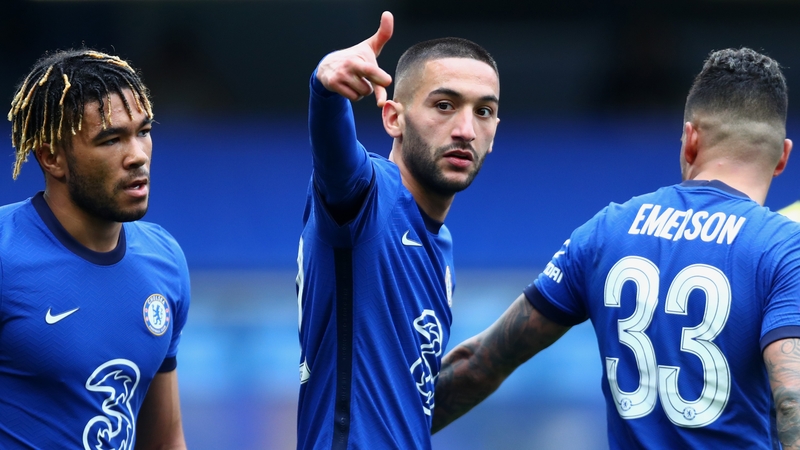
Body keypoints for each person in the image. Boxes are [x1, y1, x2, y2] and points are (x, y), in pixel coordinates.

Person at [432, 47, 800, 449]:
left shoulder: (607, 230)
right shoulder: (783, 249)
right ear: (782, 157)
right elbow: (792, 401)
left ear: (690, 140)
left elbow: (479, 364)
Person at [295, 10, 500, 449]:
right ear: (393, 118)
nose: (465, 130)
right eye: (444, 105)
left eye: (484, 111)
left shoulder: (439, 243)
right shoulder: (369, 196)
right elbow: (336, 160)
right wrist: (325, 87)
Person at [1, 49, 190, 449]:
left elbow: (165, 439)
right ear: (52, 157)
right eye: (110, 139)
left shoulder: (165, 261)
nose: (137, 156)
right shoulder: (5, 253)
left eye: (143, 131)